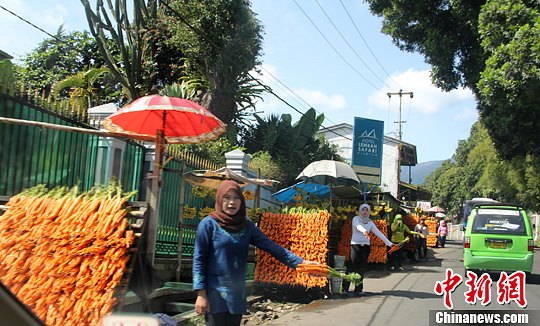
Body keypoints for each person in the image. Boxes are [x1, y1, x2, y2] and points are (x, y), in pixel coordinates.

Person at [192, 180, 320, 326]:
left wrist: (302, 263)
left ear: (241, 200)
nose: (231, 202)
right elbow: (199, 260)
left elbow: (273, 248)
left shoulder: (246, 226)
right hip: (214, 293)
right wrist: (200, 295)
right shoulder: (208, 225)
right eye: (226, 198)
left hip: (237, 294)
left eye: (236, 198)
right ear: (219, 199)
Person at [342, 203, 393, 296]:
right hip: (355, 246)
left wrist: (389, 243)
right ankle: (345, 288)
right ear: (360, 211)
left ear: (369, 212)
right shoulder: (356, 219)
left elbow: (379, 233)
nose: (364, 212)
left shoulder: (370, 223)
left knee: (361, 268)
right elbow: (357, 226)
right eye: (363, 210)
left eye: (366, 210)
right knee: (351, 266)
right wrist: (364, 231)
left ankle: (358, 289)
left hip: (366, 247)